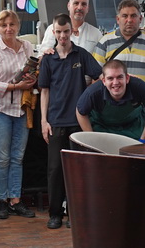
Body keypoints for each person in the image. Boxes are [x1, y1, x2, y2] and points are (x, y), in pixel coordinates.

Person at [39, 13, 102, 229]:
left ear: (71, 31)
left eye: (66, 31)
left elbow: (100, 76)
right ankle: (55, 214)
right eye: (59, 32)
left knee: (78, 170)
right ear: (53, 32)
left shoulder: (81, 54)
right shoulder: (48, 58)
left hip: (78, 121)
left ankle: (75, 214)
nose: (63, 36)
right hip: (55, 121)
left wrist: (87, 98)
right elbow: (44, 91)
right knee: (55, 170)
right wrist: (43, 121)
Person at [0, 10, 37, 220]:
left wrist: (32, 79)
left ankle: (15, 200)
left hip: (21, 110)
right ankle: (2, 201)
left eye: (12, 24)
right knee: (3, 159)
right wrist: (16, 86)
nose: (8, 28)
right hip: (0, 111)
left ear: (18, 26)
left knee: (17, 158)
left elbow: (33, 71)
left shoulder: (27, 47)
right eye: (4, 25)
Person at [93, 0, 145, 136]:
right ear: (118, 19)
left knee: (142, 146)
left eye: (133, 16)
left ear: (140, 19)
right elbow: (96, 78)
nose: (129, 20)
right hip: (112, 110)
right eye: (125, 16)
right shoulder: (105, 42)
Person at [76, 59, 145, 140]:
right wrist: (91, 137)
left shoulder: (139, 86)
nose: (115, 83)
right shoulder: (93, 92)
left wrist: (143, 139)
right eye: (110, 78)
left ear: (127, 78)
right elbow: (80, 113)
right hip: (102, 126)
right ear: (104, 81)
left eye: (120, 77)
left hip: (134, 126)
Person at [38, 0, 103, 54]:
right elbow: (41, 56)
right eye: (76, 3)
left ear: (88, 9)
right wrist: (45, 54)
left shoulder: (96, 34)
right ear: (68, 6)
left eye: (83, 4)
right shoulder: (53, 29)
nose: (79, 7)